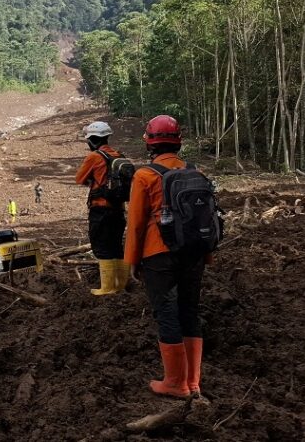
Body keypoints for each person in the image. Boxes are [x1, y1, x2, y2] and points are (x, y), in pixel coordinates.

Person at [125, 115, 203, 398]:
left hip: (159, 256)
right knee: (190, 312)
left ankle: (174, 382)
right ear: (178, 142)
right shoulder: (195, 171)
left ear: (149, 142)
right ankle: (193, 382)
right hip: (193, 253)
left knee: (167, 313)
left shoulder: (145, 176)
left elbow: (135, 223)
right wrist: (207, 256)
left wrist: (132, 261)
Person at [75, 121, 128, 295]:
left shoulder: (94, 157)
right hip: (119, 209)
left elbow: (80, 178)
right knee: (116, 247)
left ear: (92, 140)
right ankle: (120, 286)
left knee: (102, 247)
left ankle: (107, 288)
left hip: (101, 210)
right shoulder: (119, 155)